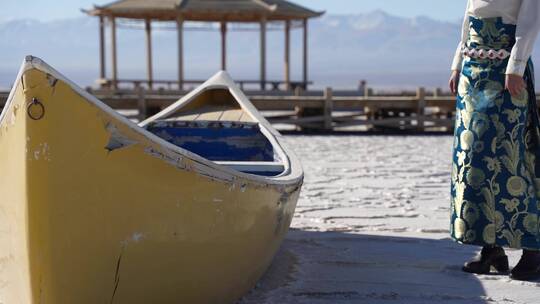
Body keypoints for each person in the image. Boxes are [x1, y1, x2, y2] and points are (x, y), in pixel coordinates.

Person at [449, 0, 540, 281]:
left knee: (512, 156)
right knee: (473, 156)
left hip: (506, 75)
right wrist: (457, 64)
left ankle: (533, 249)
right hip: (471, 74)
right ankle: (491, 248)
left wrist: (516, 66)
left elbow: (530, 23)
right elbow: (467, 23)